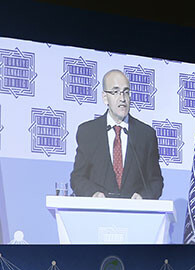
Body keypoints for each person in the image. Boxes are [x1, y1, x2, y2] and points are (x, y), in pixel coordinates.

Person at [70, 69, 163, 200]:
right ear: (105, 97)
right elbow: (78, 177)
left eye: (126, 92)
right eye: (115, 92)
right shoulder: (88, 132)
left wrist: (143, 195)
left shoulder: (146, 135)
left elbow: (156, 181)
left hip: (135, 214)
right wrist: (93, 194)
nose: (123, 98)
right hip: (97, 212)